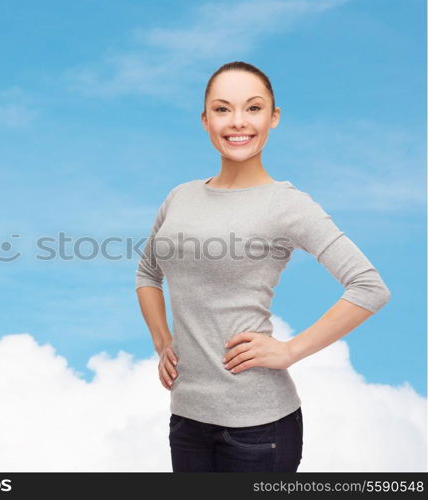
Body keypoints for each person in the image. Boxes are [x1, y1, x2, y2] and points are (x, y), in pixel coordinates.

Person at [134, 61, 391, 473]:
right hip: (186, 418)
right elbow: (148, 274)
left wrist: (290, 350)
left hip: (259, 431)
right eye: (222, 109)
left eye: (253, 108)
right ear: (205, 120)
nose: (238, 122)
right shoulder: (179, 197)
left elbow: (368, 286)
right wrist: (162, 340)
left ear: (274, 117)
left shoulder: (286, 205)